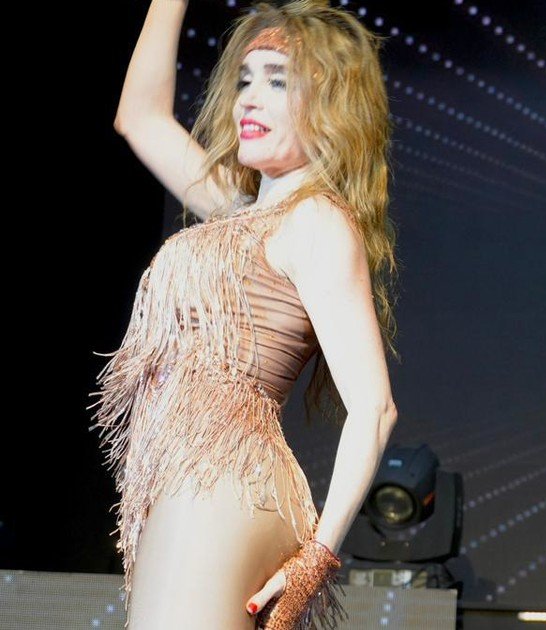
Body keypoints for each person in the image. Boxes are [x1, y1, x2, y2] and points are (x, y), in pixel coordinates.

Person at [92, 1, 398, 627]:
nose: (249, 99)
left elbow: (374, 408)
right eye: (244, 80)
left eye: (277, 82)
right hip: (189, 480)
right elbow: (140, 117)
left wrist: (319, 556)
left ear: (331, 105)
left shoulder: (316, 222)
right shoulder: (241, 213)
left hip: (222, 480)